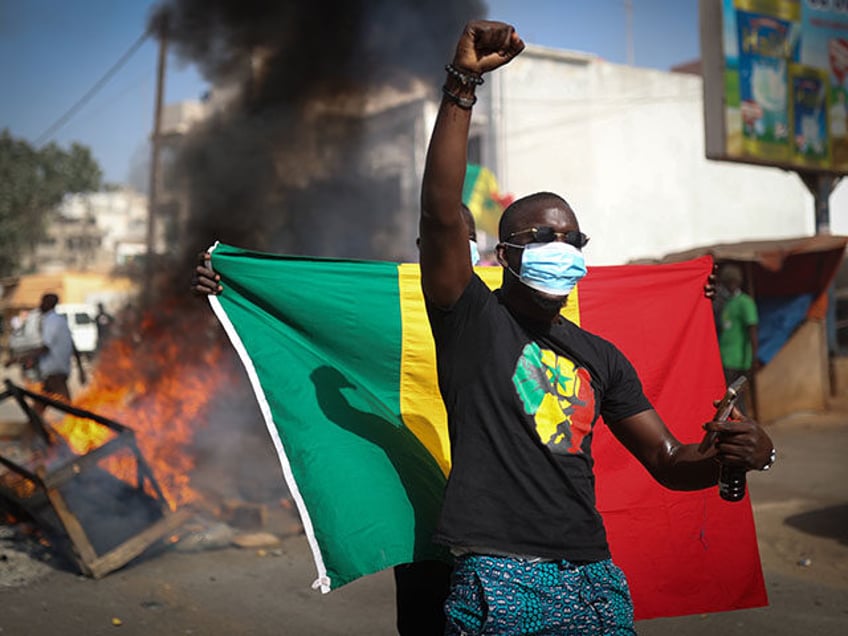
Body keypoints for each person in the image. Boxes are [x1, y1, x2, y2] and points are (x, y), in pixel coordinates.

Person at [417, 20, 775, 634]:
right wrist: (462, 85)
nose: (563, 248)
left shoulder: (602, 358)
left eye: (572, 239)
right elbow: (441, 211)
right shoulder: (471, 315)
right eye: (544, 238)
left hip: (593, 576)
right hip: (499, 574)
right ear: (504, 255)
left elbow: (667, 460)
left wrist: (734, 457)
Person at [191, 205, 479, 636]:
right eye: (437, 235)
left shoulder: (506, 303)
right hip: (426, 512)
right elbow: (308, 316)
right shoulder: (388, 302)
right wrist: (232, 288)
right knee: (424, 623)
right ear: (420, 246)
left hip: (494, 518)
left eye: (462, 235)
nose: (450, 245)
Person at [717, 263, 759, 392]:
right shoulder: (727, 303)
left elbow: (752, 331)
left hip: (738, 360)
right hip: (725, 359)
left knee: (736, 400)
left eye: (733, 282)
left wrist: (753, 358)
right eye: (727, 283)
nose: (730, 286)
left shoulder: (745, 302)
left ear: (738, 282)